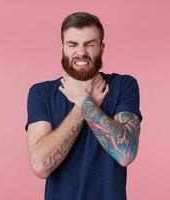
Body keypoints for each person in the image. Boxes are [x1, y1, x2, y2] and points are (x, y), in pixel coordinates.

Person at [25, 12, 143, 200]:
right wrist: (83, 106)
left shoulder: (123, 86)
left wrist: (83, 100)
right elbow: (40, 166)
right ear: (62, 48)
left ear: (101, 48)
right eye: (73, 44)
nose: (81, 52)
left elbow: (126, 154)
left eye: (89, 44)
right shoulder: (42, 93)